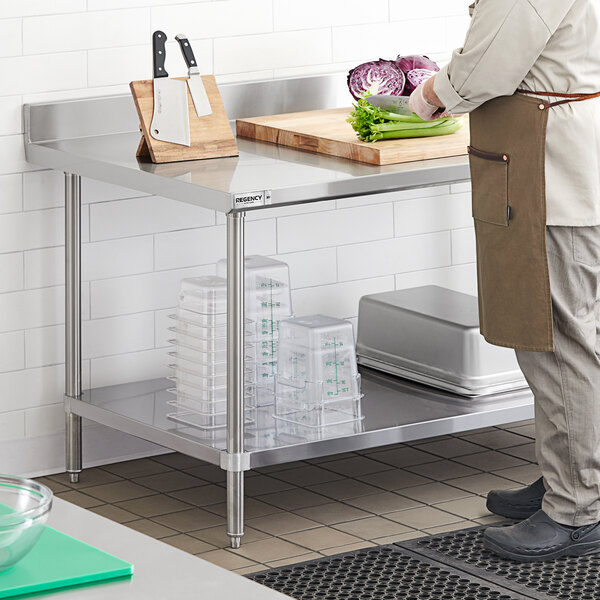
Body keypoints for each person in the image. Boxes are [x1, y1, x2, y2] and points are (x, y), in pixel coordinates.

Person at [409, 0, 600, 563]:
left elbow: (486, 66)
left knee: (558, 342)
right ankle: (568, 475)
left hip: (550, 173)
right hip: (561, 165)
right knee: (569, 336)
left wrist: (430, 95)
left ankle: (577, 509)